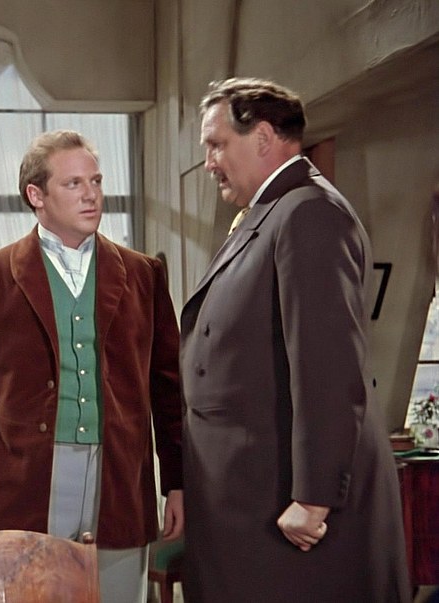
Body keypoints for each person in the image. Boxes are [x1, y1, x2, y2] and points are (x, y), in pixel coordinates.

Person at [179, 77, 410, 601]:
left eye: (216, 145)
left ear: (263, 137)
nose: (209, 162)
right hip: (250, 496)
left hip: (287, 507)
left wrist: (314, 497)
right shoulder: (270, 213)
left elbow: (327, 366)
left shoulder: (309, 213)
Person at [0, 129, 184, 603]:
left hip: (118, 474)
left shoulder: (142, 273)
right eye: (73, 183)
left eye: (96, 181)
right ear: (37, 195)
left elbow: (168, 388)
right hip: (26, 476)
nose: (91, 194)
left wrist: (177, 482)